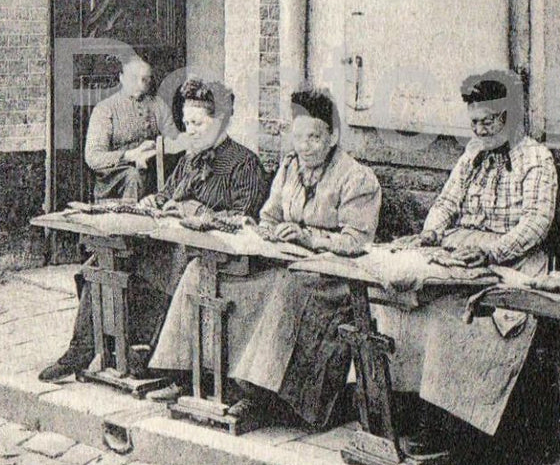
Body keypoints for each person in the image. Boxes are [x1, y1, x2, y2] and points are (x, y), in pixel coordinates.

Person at [148, 87, 381, 425]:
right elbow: (269, 215)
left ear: (332, 137)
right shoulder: (290, 168)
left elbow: (356, 240)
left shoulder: (357, 178)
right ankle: (185, 371)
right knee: (202, 270)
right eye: (298, 137)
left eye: (313, 138)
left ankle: (256, 393)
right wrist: (263, 230)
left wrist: (309, 237)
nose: (303, 145)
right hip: (285, 261)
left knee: (283, 290)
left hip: (333, 277)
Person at [38, 77, 265, 382]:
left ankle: (150, 355)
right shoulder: (190, 158)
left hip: (208, 256)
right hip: (169, 246)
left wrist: (191, 210)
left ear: (221, 121)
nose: (190, 131)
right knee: (103, 262)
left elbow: (242, 220)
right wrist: (152, 202)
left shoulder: (244, 163)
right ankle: (83, 349)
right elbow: (167, 194)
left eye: (198, 123)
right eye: (186, 123)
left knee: (166, 267)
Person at [381, 71, 559, 452]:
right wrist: (431, 233)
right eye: (474, 122)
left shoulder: (537, 159)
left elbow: (537, 222)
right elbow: (447, 202)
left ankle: (451, 429)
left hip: (512, 262)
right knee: (401, 305)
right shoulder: (472, 155)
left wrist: (492, 252)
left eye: (488, 122)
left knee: (454, 319)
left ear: (510, 117)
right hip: (462, 250)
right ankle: (399, 410)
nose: (479, 130)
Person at [84, 55, 183, 201]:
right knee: (134, 175)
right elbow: (93, 157)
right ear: (122, 78)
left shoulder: (158, 104)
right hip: (115, 179)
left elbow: (175, 140)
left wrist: (158, 148)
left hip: (152, 173)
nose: (139, 85)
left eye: (145, 79)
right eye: (133, 78)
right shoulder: (105, 109)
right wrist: (131, 155)